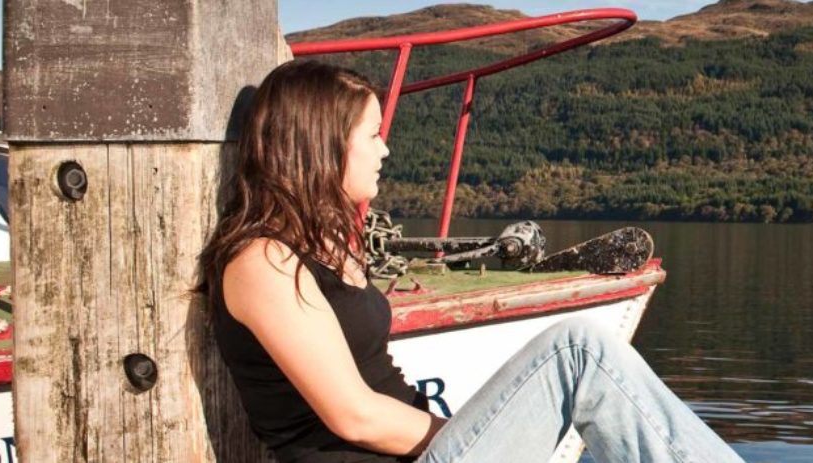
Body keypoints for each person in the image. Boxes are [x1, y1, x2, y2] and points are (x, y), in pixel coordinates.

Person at [197, 59, 744, 463]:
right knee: (579, 350)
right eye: (373, 135)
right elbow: (353, 415)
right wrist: (471, 438)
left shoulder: (322, 243)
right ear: (321, 145)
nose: (386, 150)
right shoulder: (262, 262)